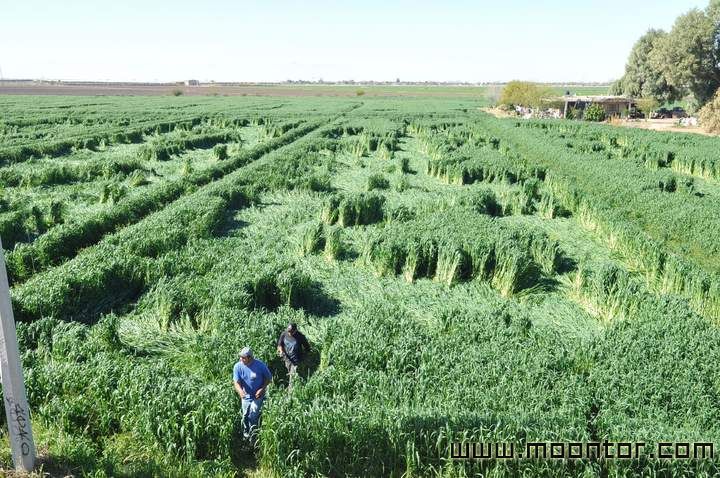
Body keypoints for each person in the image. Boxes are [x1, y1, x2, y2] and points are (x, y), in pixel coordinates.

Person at [232, 346, 272, 441]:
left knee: (253, 415)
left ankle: (254, 437)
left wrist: (262, 389)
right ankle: (246, 434)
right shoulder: (238, 366)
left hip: (257, 396)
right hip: (245, 396)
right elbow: (236, 382)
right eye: (240, 357)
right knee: (245, 415)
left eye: (243, 357)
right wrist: (240, 391)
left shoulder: (260, 365)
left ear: (250, 357)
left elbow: (269, 378)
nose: (241, 359)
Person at [276, 323, 311, 388]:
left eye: (291, 332)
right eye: (288, 331)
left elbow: (307, 348)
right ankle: (301, 386)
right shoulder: (284, 334)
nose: (289, 333)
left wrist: (304, 359)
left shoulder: (300, 336)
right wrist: (281, 351)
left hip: (296, 361)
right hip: (287, 359)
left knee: (292, 376)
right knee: (291, 374)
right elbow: (280, 344)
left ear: (295, 330)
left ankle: (290, 393)